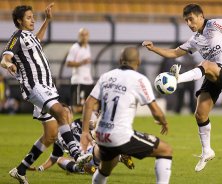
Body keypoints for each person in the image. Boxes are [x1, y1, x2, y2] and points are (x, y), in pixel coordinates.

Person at [142, 3, 222, 172]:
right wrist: (153, 48)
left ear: (201, 16)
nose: (189, 24)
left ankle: (176, 79)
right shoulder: (195, 40)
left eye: (191, 19)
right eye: (186, 21)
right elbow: (174, 53)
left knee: (205, 64)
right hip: (211, 75)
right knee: (200, 115)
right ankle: (207, 151)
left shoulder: (215, 25)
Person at [0, 4, 92, 184]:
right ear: (19, 21)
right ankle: (77, 153)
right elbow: (5, 56)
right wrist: (8, 64)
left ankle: (20, 170)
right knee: (62, 113)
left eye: (33, 16)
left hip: (47, 87)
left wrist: (47, 20)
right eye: (28, 17)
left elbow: (37, 40)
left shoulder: (30, 38)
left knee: (50, 135)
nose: (33, 19)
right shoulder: (17, 36)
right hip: (35, 86)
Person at [80, 47, 172, 184]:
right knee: (166, 150)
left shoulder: (106, 76)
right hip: (120, 135)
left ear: (120, 60)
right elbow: (156, 111)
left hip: (101, 135)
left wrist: (85, 131)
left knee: (104, 170)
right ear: (139, 61)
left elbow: (88, 103)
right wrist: (163, 121)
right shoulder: (139, 79)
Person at [32, 106, 135, 174]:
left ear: (71, 115)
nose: (66, 115)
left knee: (98, 145)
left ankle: (119, 156)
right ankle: (85, 168)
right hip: (82, 161)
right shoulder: (58, 136)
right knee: (60, 160)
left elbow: (92, 127)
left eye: (68, 112)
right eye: (64, 113)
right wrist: (40, 168)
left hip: (92, 153)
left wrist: (95, 124)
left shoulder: (78, 123)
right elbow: (54, 158)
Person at [66, 28, 94, 114]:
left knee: (89, 104)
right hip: (79, 80)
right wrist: (82, 62)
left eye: (86, 35)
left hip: (88, 80)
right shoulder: (75, 47)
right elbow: (68, 63)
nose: (84, 37)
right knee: (78, 107)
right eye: (82, 35)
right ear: (79, 36)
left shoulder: (88, 47)